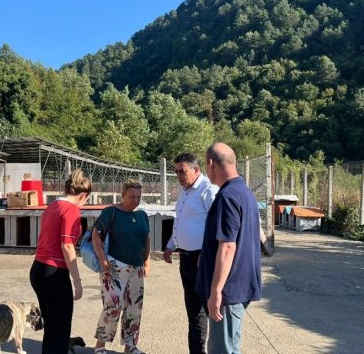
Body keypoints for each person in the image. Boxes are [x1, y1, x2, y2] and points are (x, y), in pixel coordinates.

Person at [196, 143, 262, 354]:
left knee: (221, 349)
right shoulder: (244, 192)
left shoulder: (227, 197)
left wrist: (216, 291)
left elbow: (228, 247)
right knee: (231, 347)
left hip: (228, 289)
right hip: (240, 285)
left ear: (210, 164)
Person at [30, 169, 91, 354]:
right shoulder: (71, 210)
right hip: (54, 272)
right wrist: (77, 281)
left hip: (39, 269)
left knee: (51, 327)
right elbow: (67, 246)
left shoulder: (52, 206)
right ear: (83, 195)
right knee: (61, 330)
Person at [162, 153, 218, 354]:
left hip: (201, 260)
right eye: (176, 171)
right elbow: (179, 222)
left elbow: (216, 226)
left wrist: (207, 253)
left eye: (182, 171)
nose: (178, 175)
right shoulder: (185, 192)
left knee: (211, 310)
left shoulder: (208, 190)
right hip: (185, 259)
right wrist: (170, 245)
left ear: (196, 170)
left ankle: (217, 350)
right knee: (194, 312)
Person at [92, 180, 151, 354]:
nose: (136, 200)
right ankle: (100, 345)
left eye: (139, 197)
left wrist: (147, 262)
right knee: (113, 306)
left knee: (135, 307)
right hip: (114, 267)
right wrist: (102, 258)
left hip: (136, 267)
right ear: (123, 196)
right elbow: (96, 234)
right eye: (132, 196)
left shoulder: (142, 215)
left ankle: (130, 346)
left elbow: (146, 239)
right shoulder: (111, 212)